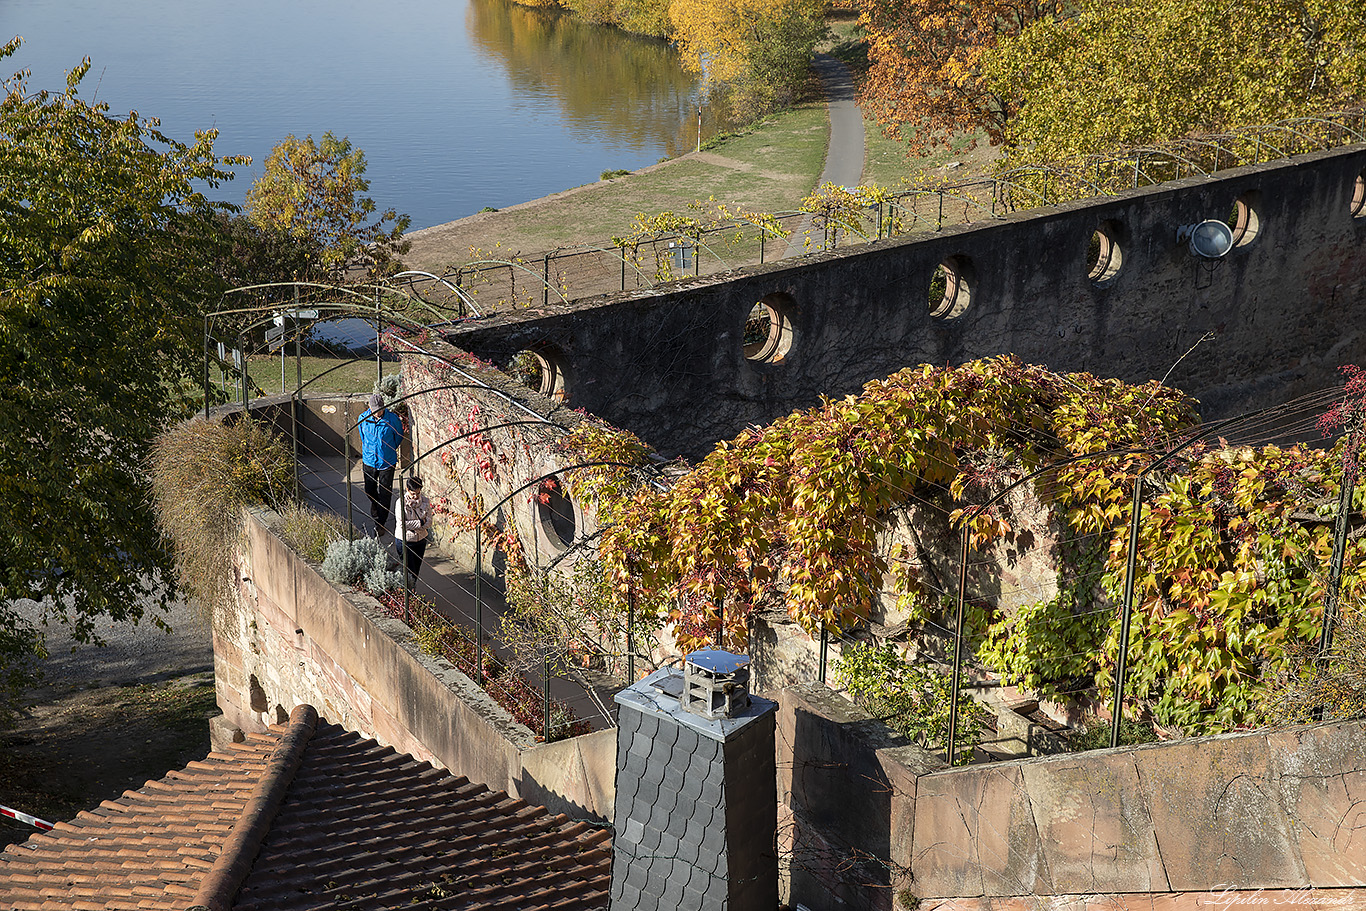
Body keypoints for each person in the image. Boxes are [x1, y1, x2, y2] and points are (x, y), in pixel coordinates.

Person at [358, 392, 404, 537]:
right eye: (375, 409)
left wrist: (389, 450)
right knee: (369, 489)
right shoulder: (363, 419)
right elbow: (363, 437)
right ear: (369, 408)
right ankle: (375, 505)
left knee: (385, 494)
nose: (378, 412)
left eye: (380, 409)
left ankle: (380, 523)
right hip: (369, 461)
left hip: (387, 463)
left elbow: (399, 437)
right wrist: (369, 450)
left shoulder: (392, 420)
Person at [395, 475, 433, 579]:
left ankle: (412, 590)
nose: (415, 496)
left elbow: (429, 522)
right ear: (407, 489)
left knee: (416, 569)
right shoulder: (400, 503)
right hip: (405, 541)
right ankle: (410, 592)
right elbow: (402, 524)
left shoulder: (425, 501)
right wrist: (421, 522)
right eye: (413, 494)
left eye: (418, 493)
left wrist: (412, 526)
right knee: (409, 571)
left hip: (421, 540)